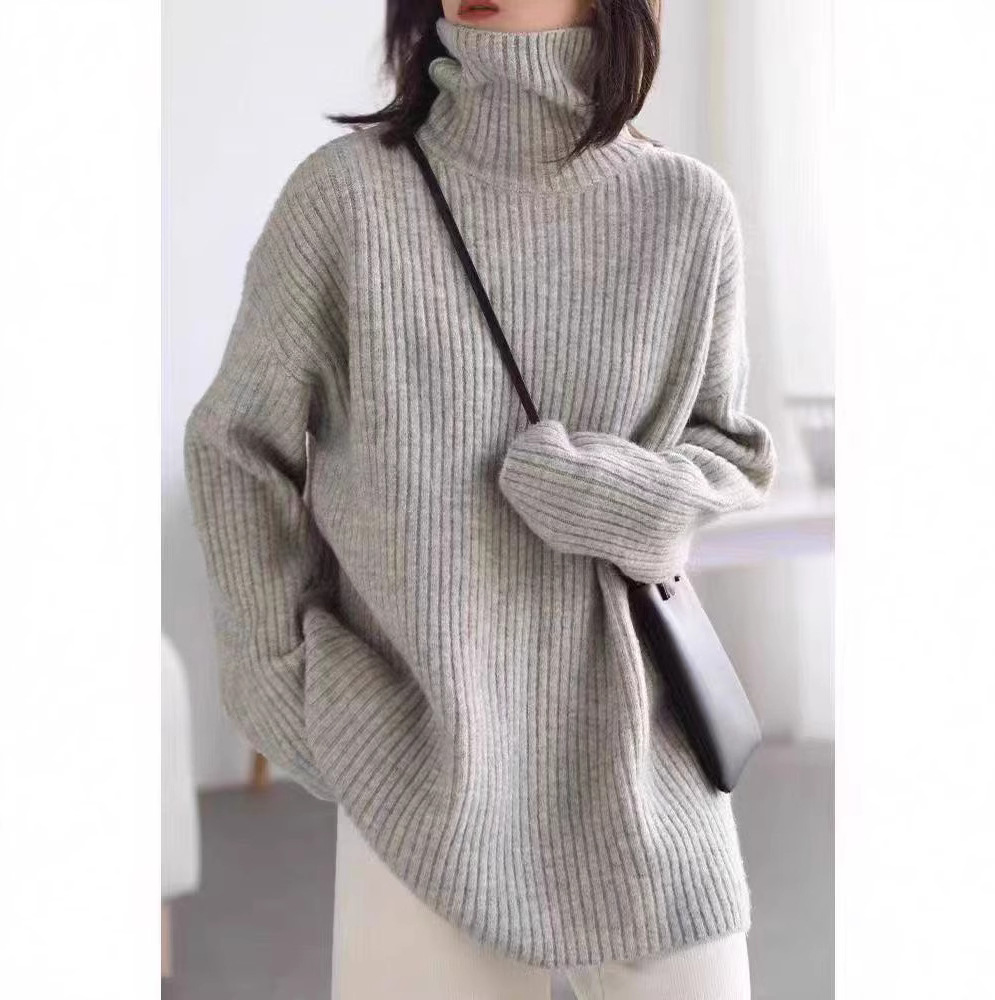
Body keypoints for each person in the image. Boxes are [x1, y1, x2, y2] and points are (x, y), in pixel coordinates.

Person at [184, 0, 777, 996]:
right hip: (416, 766)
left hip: (645, 765)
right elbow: (235, 449)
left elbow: (728, 451)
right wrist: (292, 688)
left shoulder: (686, 210)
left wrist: (611, 497)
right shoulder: (347, 201)